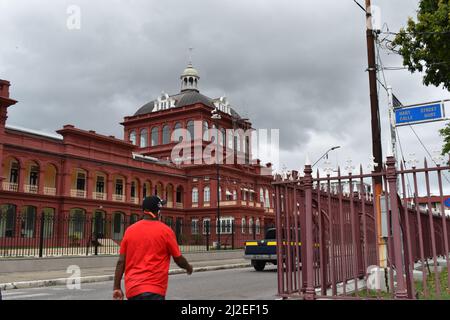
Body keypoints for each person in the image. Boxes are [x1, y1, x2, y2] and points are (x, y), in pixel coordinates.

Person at [113, 195, 193, 300]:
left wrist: (117, 287)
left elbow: (121, 261)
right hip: (155, 290)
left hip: (133, 290)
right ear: (158, 212)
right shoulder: (166, 231)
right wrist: (188, 267)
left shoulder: (129, 231)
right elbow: (178, 258)